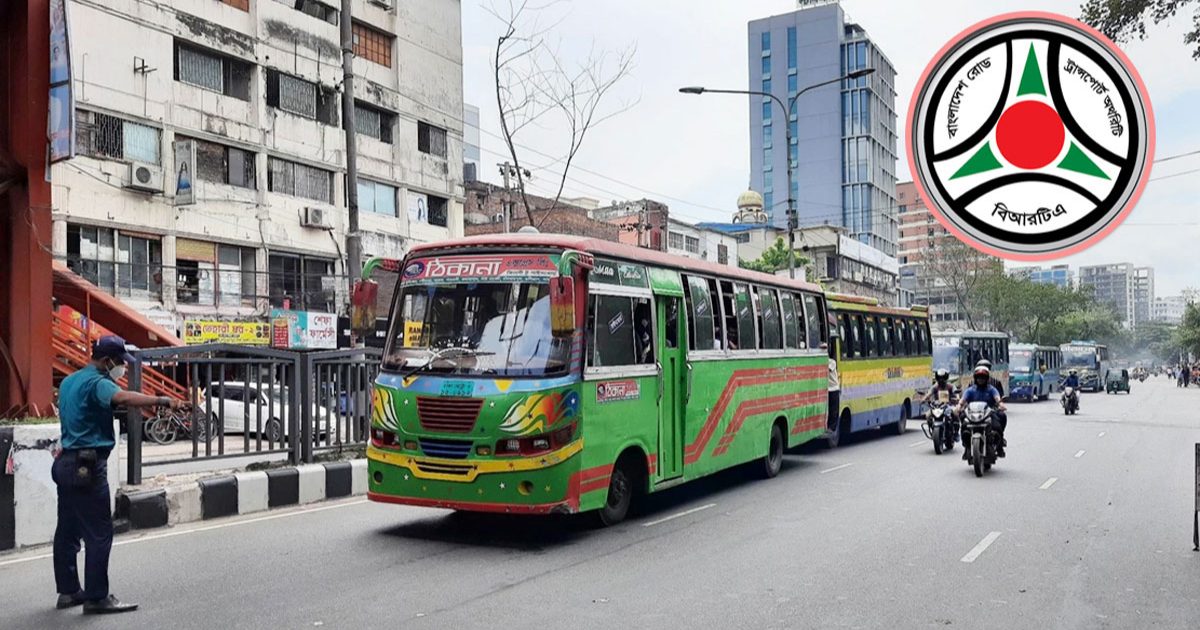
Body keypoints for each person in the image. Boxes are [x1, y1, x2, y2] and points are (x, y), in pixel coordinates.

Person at [53, 335, 186, 614]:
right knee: (99, 533)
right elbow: (123, 397)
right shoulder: (99, 383)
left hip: (65, 463)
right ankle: (97, 598)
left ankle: (68, 592)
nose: (121, 368)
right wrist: (163, 399)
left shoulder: (68, 382)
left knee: (67, 530)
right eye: (119, 363)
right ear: (107, 361)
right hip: (87, 466)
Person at [957, 365, 1007, 458]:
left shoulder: (991, 389)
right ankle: (967, 447)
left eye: (983, 377)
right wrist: (959, 406)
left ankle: (999, 447)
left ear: (987, 378)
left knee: (999, 423)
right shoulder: (970, 390)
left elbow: (997, 398)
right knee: (963, 423)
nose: (981, 379)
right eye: (979, 377)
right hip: (972, 414)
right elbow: (963, 400)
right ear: (975, 378)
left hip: (988, 414)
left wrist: (1001, 404)